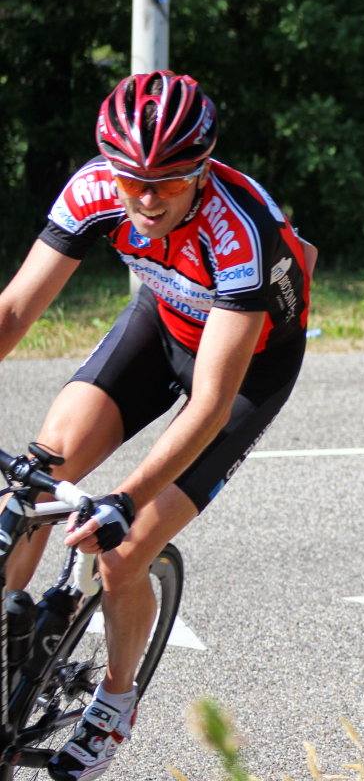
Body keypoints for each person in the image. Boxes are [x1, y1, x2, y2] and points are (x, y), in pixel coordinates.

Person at [0, 71, 316, 780]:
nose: (144, 200)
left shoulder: (241, 233)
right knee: (32, 488)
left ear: (201, 171)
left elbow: (208, 403)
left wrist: (123, 500)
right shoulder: (93, 191)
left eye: (167, 183)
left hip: (242, 370)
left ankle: (114, 702)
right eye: (131, 180)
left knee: (122, 551)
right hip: (161, 324)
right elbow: (15, 311)